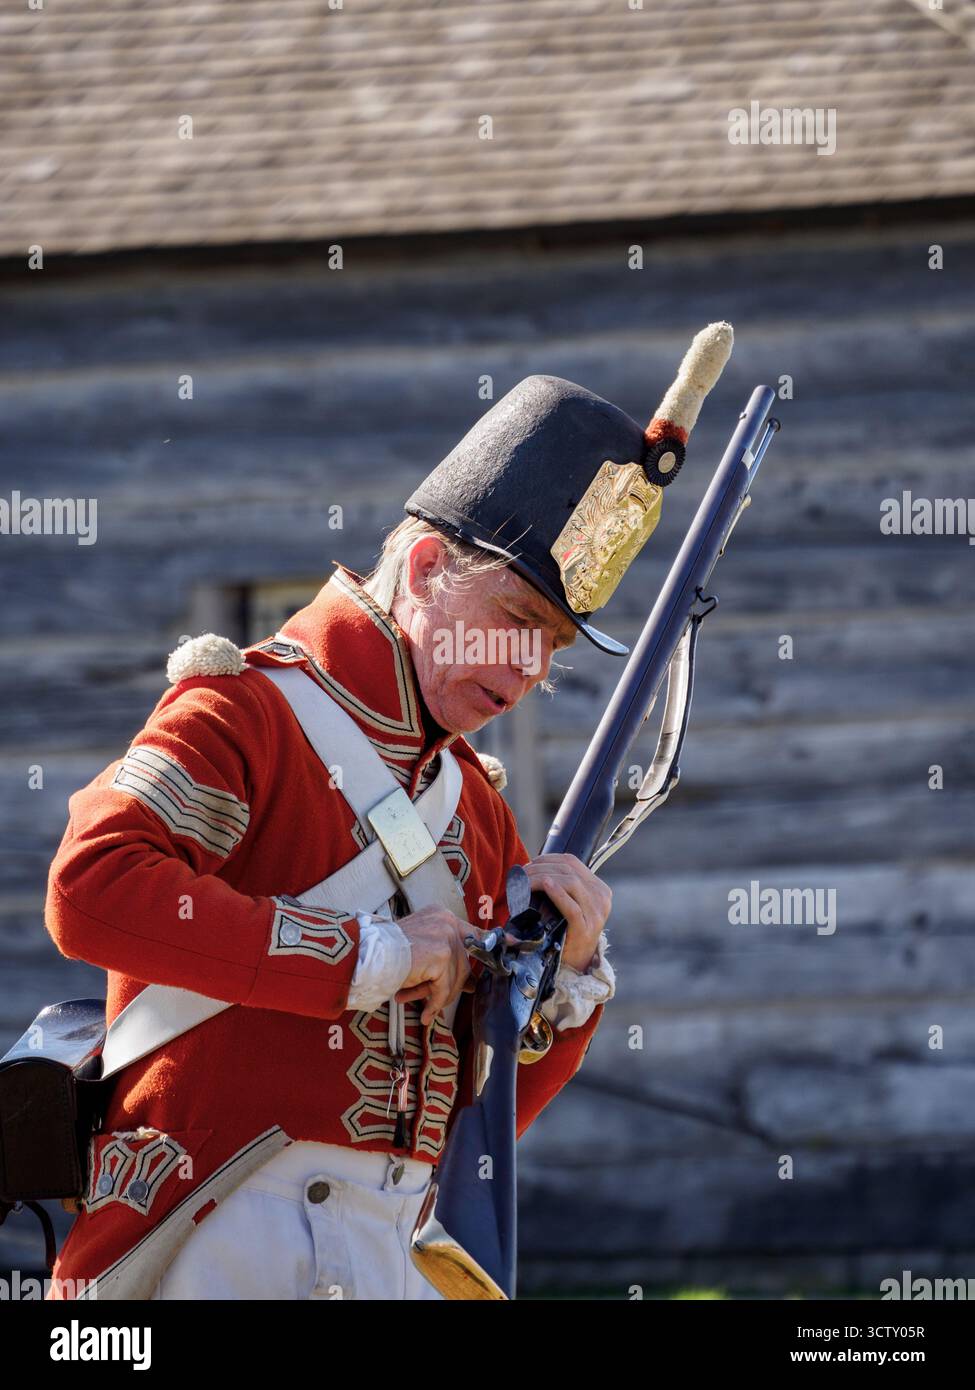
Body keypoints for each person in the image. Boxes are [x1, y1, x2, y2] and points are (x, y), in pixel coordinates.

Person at [44, 371, 669, 1301]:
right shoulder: (241, 711)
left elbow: (479, 1117)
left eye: (555, 647)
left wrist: (560, 982)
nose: (533, 669)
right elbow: (90, 890)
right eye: (516, 621)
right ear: (424, 572)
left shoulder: (473, 804)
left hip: (397, 1252)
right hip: (216, 1233)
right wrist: (367, 955)